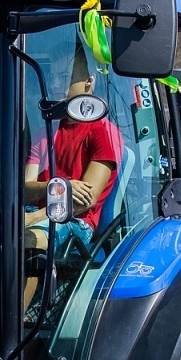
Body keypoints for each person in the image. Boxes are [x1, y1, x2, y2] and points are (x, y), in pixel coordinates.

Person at [23, 61, 119, 252]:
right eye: (52, 78)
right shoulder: (44, 132)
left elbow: (84, 201)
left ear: (90, 80)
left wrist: (29, 219)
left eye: (64, 78)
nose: (56, 85)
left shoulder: (104, 131)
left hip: (75, 221)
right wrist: (61, 186)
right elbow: (25, 190)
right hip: (33, 213)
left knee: (25, 241)